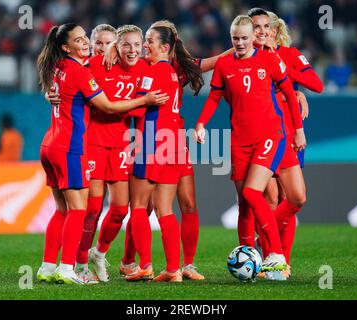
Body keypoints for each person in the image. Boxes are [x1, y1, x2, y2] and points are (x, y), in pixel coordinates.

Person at [35, 23, 168, 285]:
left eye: (90, 39)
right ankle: (74, 265)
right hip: (83, 145)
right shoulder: (89, 67)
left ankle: (73, 260)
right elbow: (104, 105)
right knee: (85, 210)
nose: (91, 44)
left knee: (115, 209)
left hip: (106, 145)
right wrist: (144, 101)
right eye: (85, 39)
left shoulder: (142, 68)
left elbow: (59, 86)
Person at [194, 15, 306, 272]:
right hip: (240, 141)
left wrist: (298, 130)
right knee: (246, 202)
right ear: (230, 38)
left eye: (245, 38)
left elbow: (289, 92)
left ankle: (270, 250)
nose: (241, 43)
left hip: (270, 136)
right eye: (236, 39)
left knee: (291, 197)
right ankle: (257, 257)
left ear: (253, 38)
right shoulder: (224, 64)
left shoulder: (268, 59)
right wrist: (200, 124)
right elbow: (214, 97)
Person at [124, 22, 204, 282]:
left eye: (149, 40)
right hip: (172, 143)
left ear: (165, 47)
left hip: (151, 142)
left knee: (137, 206)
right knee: (164, 209)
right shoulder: (170, 72)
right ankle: (173, 269)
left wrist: (123, 102)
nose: (145, 44)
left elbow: (136, 110)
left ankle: (145, 265)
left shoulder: (153, 72)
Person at [248, 9, 324, 278]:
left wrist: (292, 85)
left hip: (289, 133)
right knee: (269, 198)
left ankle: (279, 255)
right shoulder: (248, 56)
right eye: (258, 27)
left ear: (276, 31)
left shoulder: (289, 55)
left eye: (268, 27)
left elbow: (317, 84)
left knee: (288, 198)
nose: (264, 32)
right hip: (261, 134)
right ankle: (272, 257)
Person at [74, 25, 150, 283]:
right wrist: (52, 93)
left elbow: (141, 111)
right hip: (94, 142)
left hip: (120, 144)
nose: (132, 50)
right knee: (93, 208)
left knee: (119, 209)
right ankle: (80, 263)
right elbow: (70, 83)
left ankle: (100, 252)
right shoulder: (96, 64)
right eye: (126, 44)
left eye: (136, 45)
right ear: (117, 46)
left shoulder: (143, 70)